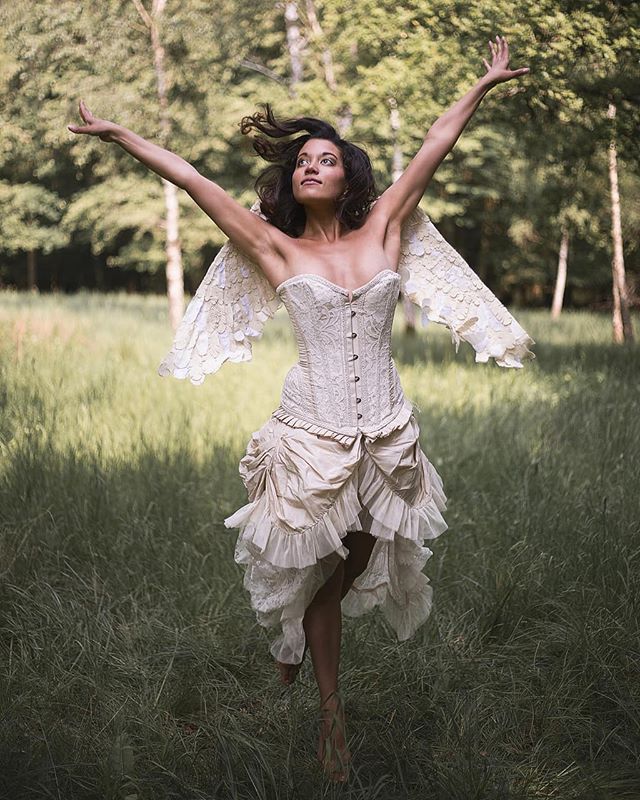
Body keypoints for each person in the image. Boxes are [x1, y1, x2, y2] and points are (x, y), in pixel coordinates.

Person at [69, 35, 533, 782]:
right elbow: (193, 181)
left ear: (349, 173)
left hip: (385, 436)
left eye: (325, 157)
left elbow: (433, 148)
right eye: (302, 161)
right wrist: (121, 134)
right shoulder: (275, 250)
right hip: (311, 436)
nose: (310, 165)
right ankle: (330, 719)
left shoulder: (383, 228)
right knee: (311, 573)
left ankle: (292, 642)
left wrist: (483, 85)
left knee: (342, 573)